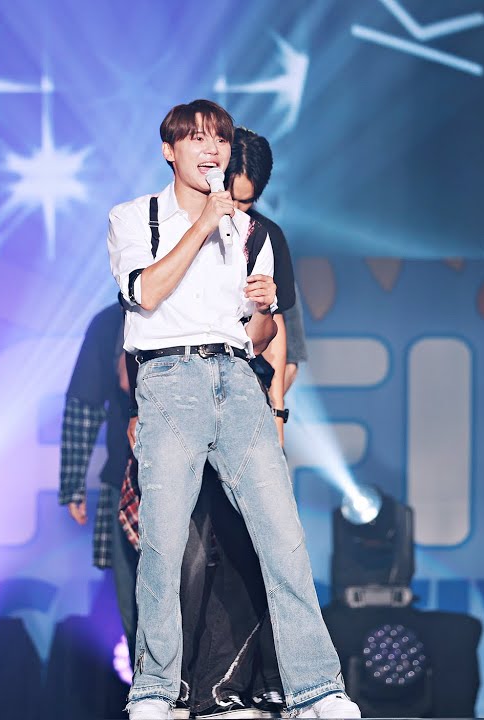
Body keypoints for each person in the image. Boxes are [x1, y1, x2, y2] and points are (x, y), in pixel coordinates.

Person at [107, 99, 358, 720]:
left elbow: (258, 335)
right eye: (196, 139)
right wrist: (202, 225)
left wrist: (266, 308)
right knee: (166, 545)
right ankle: (154, 691)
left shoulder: (251, 232)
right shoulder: (135, 217)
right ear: (170, 151)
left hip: (238, 380)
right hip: (170, 378)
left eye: (219, 138)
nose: (211, 148)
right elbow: (143, 293)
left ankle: (316, 688)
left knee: (284, 538)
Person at [57, 302, 140, 659]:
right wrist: (73, 482)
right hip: (126, 479)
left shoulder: (203, 311)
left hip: (197, 481)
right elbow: (84, 402)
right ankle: (150, 687)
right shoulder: (111, 322)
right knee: (134, 609)